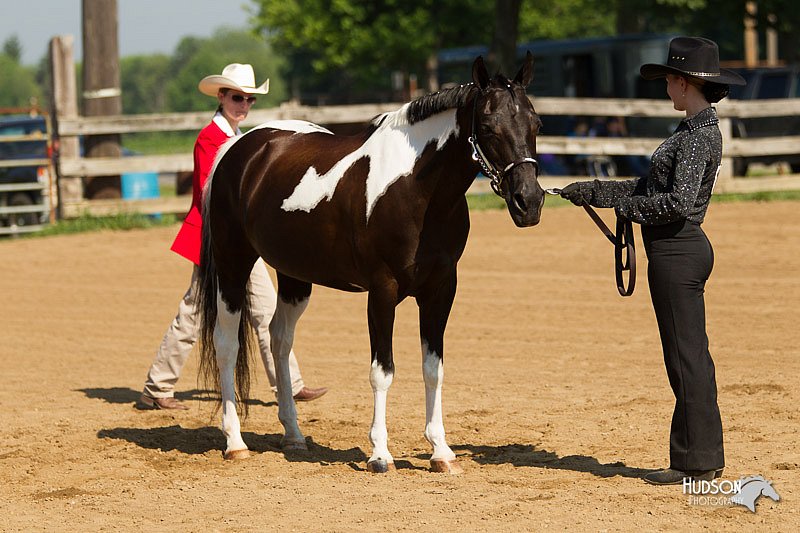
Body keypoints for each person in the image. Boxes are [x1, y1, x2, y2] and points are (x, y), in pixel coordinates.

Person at [559, 37, 745, 485]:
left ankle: (697, 461)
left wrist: (625, 209)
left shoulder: (699, 136)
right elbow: (649, 189)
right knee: (685, 355)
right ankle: (695, 457)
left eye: (668, 81)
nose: (666, 88)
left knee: (686, 357)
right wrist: (595, 192)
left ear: (683, 83)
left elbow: (677, 203)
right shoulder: (692, 131)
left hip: (678, 250)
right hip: (676, 249)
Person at [138, 63, 328, 410]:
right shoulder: (210, 139)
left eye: (249, 99)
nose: (244, 105)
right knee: (195, 311)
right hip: (216, 239)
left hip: (243, 239)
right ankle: (156, 387)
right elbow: (208, 197)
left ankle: (291, 382)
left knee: (265, 307)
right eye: (238, 97)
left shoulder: (239, 139)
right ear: (222, 97)